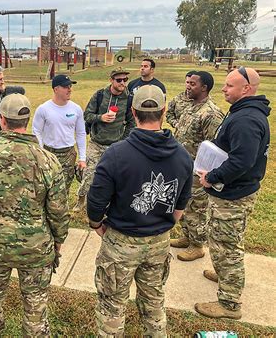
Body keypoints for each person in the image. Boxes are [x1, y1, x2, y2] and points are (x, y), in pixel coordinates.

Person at [87, 85, 194, 337]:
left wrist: (96, 225)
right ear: (164, 111)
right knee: (154, 303)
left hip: (120, 242)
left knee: (112, 305)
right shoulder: (182, 156)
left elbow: (95, 201)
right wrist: (163, 224)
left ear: (133, 113)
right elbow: (181, 203)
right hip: (159, 242)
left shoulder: (116, 154)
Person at [0, 93, 70, 337]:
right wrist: (58, 241)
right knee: (35, 310)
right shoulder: (48, 160)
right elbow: (58, 209)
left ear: (1, 120)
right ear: (27, 120)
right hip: (36, 249)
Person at [195, 67, 270, 319]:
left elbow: (242, 161)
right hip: (233, 191)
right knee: (222, 241)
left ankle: (229, 303)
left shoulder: (246, 119)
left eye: (229, 85)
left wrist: (212, 177)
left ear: (246, 89)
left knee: (227, 246)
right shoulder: (242, 111)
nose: (223, 89)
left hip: (234, 193)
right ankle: (226, 273)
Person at [171, 71, 224, 261]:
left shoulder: (211, 113)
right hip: (183, 168)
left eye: (193, 84)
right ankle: (187, 236)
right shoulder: (190, 107)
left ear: (204, 88)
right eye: (188, 83)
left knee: (197, 209)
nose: (188, 86)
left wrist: (207, 175)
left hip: (198, 171)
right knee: (184, 205)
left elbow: (215, 148)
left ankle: (197, 245)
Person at [73, 68, 133, 212]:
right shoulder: (100, 95)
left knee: (114, 177)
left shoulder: (129, 98)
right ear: (111, 80)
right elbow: (87, 115)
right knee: (89, 175)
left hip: (116, 145)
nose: (123, 83)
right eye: (119, 80)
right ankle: (81, 200)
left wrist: (123, 141)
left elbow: (132, 123)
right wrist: (101, 117)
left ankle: (108, 204)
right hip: (96, 143)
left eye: (125, 80)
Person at [32, 74, 87, 195]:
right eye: (66, 87)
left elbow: (81, 133)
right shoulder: (43, 109)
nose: (69, 89)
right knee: (46, 186)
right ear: (56, 89)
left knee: (64, 189)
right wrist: (42, 154)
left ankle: (62, 212)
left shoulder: (76, 109)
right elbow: (36, 132)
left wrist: (82, 159)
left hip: (68, 154)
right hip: (49, 153)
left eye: (70, 86)